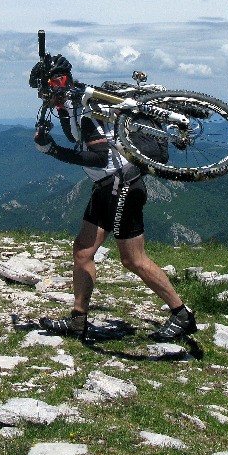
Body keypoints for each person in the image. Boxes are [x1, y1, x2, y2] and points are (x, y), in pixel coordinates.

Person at [31, 69, 197, 342]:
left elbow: (99, 157)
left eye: (44, 91)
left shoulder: (86, 112)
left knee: (133, 259)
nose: (42, 98)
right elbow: (85, 145)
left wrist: (53, 151)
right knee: (83, 252)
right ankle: (77, 320)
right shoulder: (75, 109)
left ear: (56, 87)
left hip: (122, 187)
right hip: (106, 188)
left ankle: (181, 315)